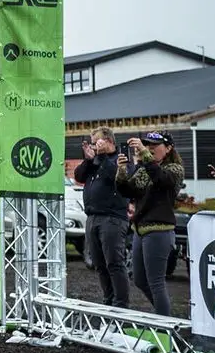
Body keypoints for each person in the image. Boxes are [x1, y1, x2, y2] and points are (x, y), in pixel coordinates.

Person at [116, 131, 185, 316]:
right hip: (140, 229)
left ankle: (164, 325)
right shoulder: (146, 167)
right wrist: (121, 170)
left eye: (155, 145)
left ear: (169, 148)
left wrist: (145, 156)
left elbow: (161, 179)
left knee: (156, 281)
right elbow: (127, 190)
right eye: (147, 145)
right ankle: (164, 316)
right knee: (139, 279)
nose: (150, 148)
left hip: (159, 230)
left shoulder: (174, 169)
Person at [73, 127, 130, 308]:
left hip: (112, 218)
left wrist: (104, 157)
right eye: (93, 142)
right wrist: (89, 160)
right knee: (99, 264)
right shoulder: (95, 161)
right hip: (92, 217)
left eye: (97, 141)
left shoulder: (120, 159)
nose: (95, 146)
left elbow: (116, 177)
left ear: (109, 141)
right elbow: (79, 176)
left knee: (114, 262)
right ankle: (108, 299)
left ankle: (121, 304)